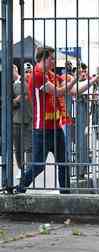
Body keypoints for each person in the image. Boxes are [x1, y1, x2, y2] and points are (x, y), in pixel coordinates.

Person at [16, 46, 81, 194]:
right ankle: (20, 188)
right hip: (42, 129)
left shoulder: (49, 74)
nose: (53, 61)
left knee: (63, 163)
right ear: (43, 59)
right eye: (51, 58)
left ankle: (65, 195)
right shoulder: (37, 75)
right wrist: (73, 81)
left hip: (55, 127)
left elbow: (72, 90)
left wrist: (91, 81)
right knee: (39, 165)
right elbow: (59, 91)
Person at [12, 63, 33, 176]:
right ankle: (21, 169)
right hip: (17, 120)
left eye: (30, 72)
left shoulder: (32, 84)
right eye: (26, 72)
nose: (28, 74)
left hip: (30, 119)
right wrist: (17, 100)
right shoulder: (13, 85)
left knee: (30, 147)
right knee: (18, 149)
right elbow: (6, 101)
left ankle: (29, 171)